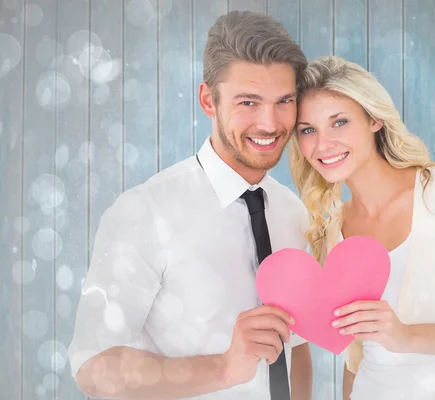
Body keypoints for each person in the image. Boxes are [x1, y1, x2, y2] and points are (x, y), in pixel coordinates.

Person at [68, 11, 313, 400]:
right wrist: (225, 367)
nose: (270, 123)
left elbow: (296, 347)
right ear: (207, 100)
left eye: (284, 101)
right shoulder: (145, 212)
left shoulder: (293, 212)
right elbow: (93, 367)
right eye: (248, 102)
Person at [287, 55, 435, 400]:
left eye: (339, 122)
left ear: (374, 119)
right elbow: (355, 358)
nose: (322, 143)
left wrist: (407, 336)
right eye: (308, 130)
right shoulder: (334, 230)